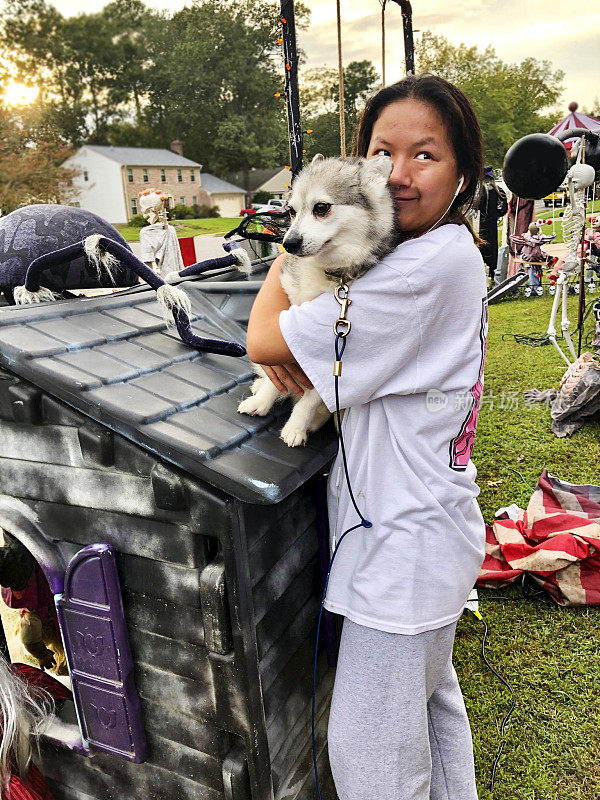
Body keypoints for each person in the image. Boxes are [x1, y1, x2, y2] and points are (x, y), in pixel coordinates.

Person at [246, 73, 486, 800]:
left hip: (403, 553)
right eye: (384, 151)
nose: (400, 174)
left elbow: (265, 339)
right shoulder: (434, 254)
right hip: (427, 532)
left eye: (426, 155)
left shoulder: (425, 265)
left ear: (464, 173)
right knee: (430, 715)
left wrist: (292, 252)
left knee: (369, 757)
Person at [477, 166, 507, 283]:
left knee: (483, 245)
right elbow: (504, 206)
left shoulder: (481, 191)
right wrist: (498, 213)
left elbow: (475, 206)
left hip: (483, 222)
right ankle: (493, 271)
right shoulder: (497, 190)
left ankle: (485, 271)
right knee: (493, 246)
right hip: (492, 222)